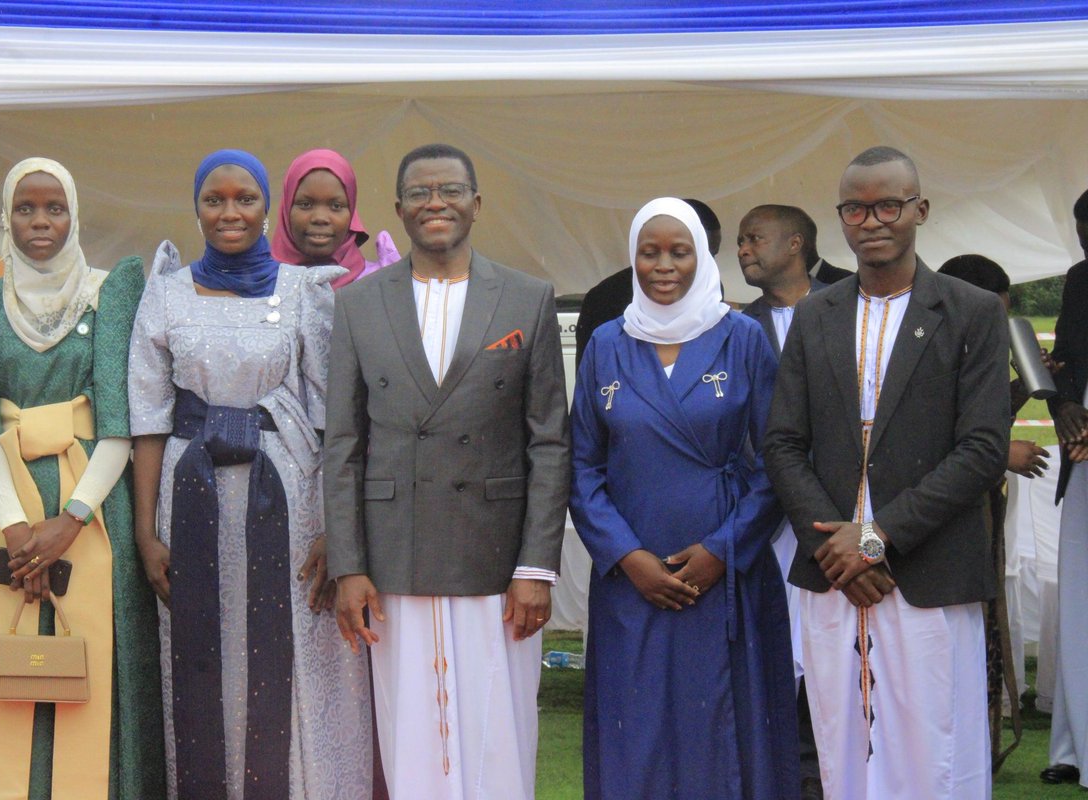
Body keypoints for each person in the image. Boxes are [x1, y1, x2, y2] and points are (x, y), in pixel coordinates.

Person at [763, 146, 1011, 799]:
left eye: (887, 206)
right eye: (855, 208)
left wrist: (873, 540)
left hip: (926, 566)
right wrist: (831, 547)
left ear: (919, 210)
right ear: (840, 217)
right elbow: (784, 442)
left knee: (934, 748)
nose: (871, 220)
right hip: (832, 574)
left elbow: (983, 448)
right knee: (840, 743)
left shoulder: (972, 311)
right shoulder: (816, 313)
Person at [325, 143, 569, 800]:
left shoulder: (527, 298)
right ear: (399, 208)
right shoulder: (358, 304)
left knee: (499, 731)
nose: (437, 203)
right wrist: (348, 567)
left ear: (477, 204)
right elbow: (343, 444)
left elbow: (549, 444)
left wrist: (536, 569)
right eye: (422, 192)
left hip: (495, 560)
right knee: (410, 737)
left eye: (452, 190)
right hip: (393, 552)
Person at [129, 149, 372, 800]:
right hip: (191, 497)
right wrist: (145, 531)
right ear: (197, 207)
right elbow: (148, 421)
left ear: (268, 208)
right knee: (207, 658)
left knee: (294, 656)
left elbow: (333, 420)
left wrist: (333, 527)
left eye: (245, 199)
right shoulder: (166, 293)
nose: (230, 212)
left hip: (289, 499)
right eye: (215, 199)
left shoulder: (304, 292)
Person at [0, 158, 164, 799]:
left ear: (74, 216)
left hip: (93, 506)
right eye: (25, 209)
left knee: (93, 666)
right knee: (7, 666)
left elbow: (120, 426)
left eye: (54, 209)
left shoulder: (110, 291)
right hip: (2, 503)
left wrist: (70, 519)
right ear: (6, 218)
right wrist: (16, 529)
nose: (40, 222)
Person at [570, 197, 796, 799]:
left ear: (703, 256)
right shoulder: (605, 346)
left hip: (724, 571)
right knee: (636, 723)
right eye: (650, 252)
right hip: (631, 577)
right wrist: (627, 557)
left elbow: (777, 460)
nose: (663, 265)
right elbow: (583, 465)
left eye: (679, 251)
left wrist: (723, 549)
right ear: (632, 259)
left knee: (723, 724)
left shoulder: (743, 338)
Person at [736, 203, 826, 799]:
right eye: (740, 241)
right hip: (767, 519)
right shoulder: (737, 327)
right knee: (780, 651)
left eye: (753, 239)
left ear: (794, 244)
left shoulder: (848, 307)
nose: (742, 249)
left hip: (840, 519)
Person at [938, 253, 1041, 773]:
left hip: (977, 529)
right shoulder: (922, 351)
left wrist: (1028, 386)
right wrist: (1003, 455)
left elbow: (979, 417)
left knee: (982, 640)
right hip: (926, 539)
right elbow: (926, 436)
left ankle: (977, 760)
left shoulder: (974, 348)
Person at [1041, 186, 1088, 787]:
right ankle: (1074, 746)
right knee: (1080, 593)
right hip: (1084, 455)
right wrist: (1065, 410)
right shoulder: (1079, 281)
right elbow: (1068, 361)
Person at [574, 198, 721, 367]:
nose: (665, 267)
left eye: (711, 255)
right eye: (650, 253)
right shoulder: (603, 336)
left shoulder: (740, 335)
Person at [270, 147, 400, 286]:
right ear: (286, 210)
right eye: (306, 204)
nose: (320, 218)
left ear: (351, 214)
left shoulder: (377, 283)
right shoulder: (258, 285)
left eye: (336, 206)